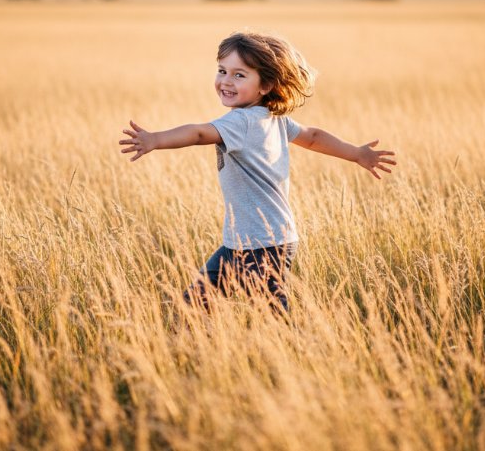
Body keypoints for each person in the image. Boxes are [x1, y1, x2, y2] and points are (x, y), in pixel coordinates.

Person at [119, 31, 395, 313]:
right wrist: (356, 154)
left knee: (269, 313)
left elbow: (200, 133)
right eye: (222, 70)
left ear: (266, 85)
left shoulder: (241, 121)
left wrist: (156, 140)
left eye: (240, 75)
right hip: (246, 241)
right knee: (196, 301)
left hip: (261, 244)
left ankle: (295, 350)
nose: (226, 81)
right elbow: (312, 136)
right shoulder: (273, 118)